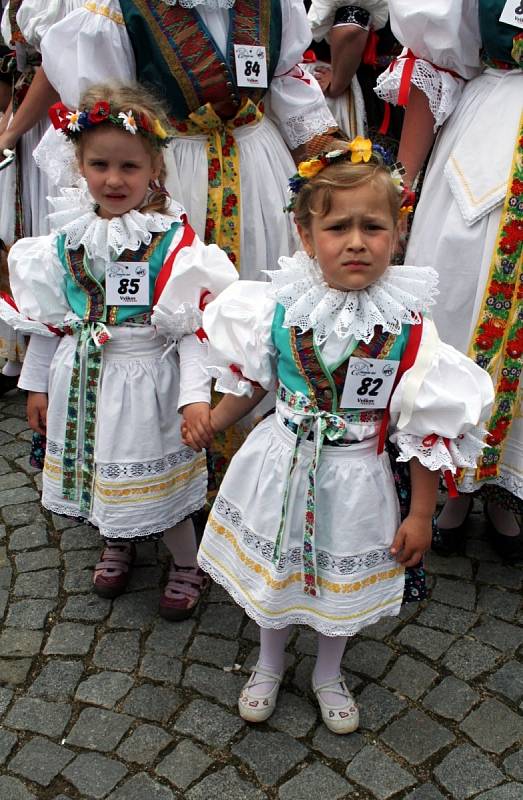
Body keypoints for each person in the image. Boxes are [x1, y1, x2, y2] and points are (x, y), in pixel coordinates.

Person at [187, 143, 494, 734]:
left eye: (373, 227)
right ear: (306, 236)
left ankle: (329, 670)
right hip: (282, 464)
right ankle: (270, 660)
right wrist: (215, 419)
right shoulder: (277, 307)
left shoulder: (409, 329)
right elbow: (255, 382)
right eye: (337, 227)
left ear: (397, 234)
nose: (356, 241)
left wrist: (423, 513)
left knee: (337, 580)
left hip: (357, 476)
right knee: (278, 567)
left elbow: (422, 428)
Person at [3, 81, 238, 618]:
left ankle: (185, 560)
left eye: (129, 167)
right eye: (100, 165)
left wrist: (195, 398)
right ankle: (118, 537)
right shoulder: (64, 240)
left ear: (154, 167)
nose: (113, 179)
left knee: (146, 470)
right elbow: (54, 320)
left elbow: (192, 330)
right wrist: (36, 384)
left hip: (147, 381)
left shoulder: (173, 243)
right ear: (79, 166)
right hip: (82, 376)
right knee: (98, 467)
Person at [375, 0, 523, 560]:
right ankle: (453, 484)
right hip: (487, 139)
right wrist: (400, 191)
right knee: (460, 302)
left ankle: (507, 488)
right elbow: (438, 63)